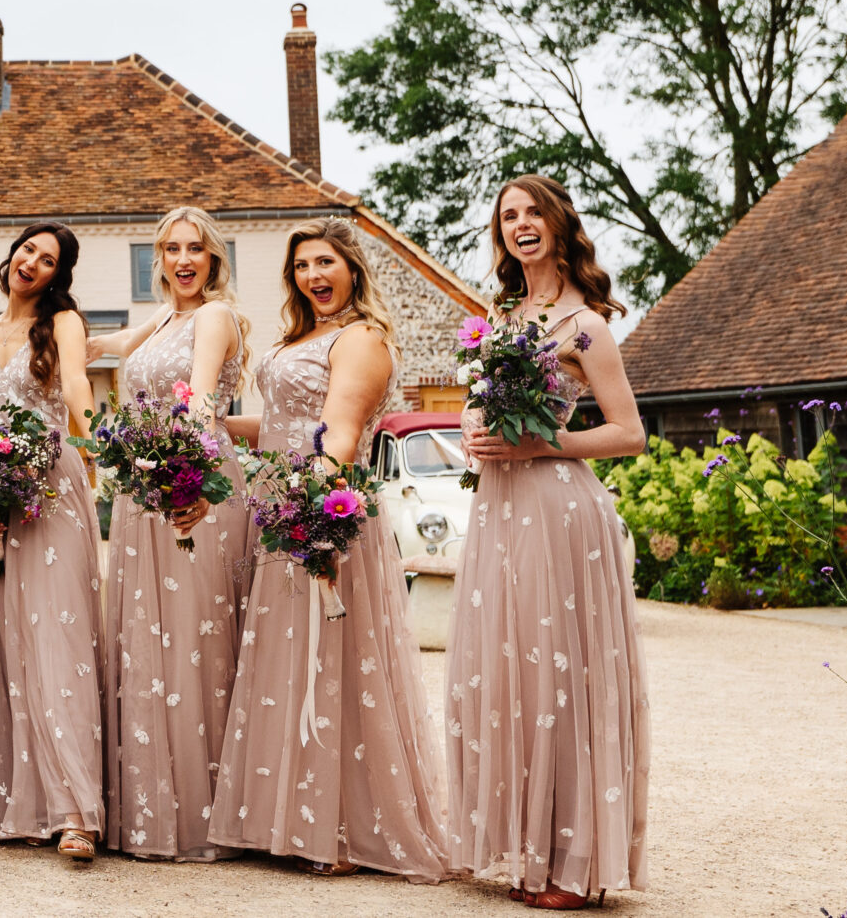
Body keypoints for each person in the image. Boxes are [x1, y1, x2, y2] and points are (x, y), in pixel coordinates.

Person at [210, 218, 454, 880]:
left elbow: (340, 431)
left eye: (326, 262)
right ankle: (293, 817)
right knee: (292, 658)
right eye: (302, 265)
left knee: (334, 664)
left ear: (352, 267)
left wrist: (313, 513)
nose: (313, 275)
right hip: (283, 507)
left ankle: (342, 829)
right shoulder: (302, 337)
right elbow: (283, 423)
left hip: (326, 511)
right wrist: (203, 421)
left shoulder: (361, 337)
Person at [448, 176, 649, 908]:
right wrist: (476, 433)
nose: (521, 224)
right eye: (509, 215)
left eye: (534, 212)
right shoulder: (500, 319)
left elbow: (629, 432)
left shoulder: (585, 325)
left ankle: (573, 861)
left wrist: (546, 444)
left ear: (559, 225)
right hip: (499, 511)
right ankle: (522, 842)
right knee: (507, 675)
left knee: (561, 678)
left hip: (559, 509)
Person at [91, 204, 253, 861]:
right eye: (170, 249)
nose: (183, 260)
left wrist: (183, 478)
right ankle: (146, 808)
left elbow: (201, 398)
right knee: (145, 636)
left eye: (195, 248)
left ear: (213, 257)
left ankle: (203, 814)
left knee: (194, 638)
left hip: (191, 482)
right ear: (158, 259)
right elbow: (97, 348)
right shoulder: (160, 319)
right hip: (142, 487)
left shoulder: (214, 316)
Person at [0, 224, 106, 862]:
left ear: (57, 276)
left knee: (58, 639)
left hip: (50, 490)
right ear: (13, 255)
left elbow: (77, 386)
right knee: (8, 642)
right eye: (29, 250)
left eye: (49, 260)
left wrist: (97, 442)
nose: (34, 262)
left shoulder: (64, 324)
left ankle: (77, 810)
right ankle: (22, 803)